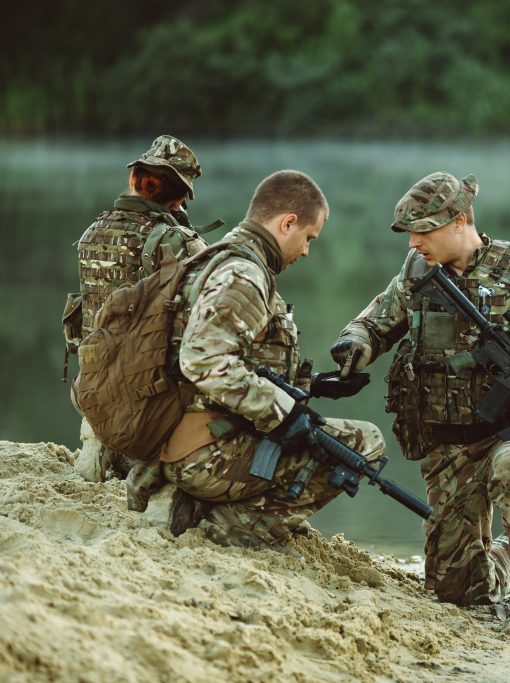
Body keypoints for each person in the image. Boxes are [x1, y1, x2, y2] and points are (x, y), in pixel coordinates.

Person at [331, 171, 510, 637]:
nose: (414, 243)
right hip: (450, 446)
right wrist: (355, 344)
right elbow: (374, 322)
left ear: (459, 221)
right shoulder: (418, 273)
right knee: (458, 590)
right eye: (410, 233)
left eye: (423, 231)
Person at [160, 170, 385, 553]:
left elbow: (242, 359)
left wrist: (313, 385)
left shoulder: (221, 258)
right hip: (202, 456)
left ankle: (210, 505)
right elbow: (203, 360)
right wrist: (283, 412)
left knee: (316, 432)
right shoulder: (244, 275)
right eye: (308, 238)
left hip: (185, 439)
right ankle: (233, 528)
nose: (307, 250)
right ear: (287, 223)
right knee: (364, 442)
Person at [69, 135, 217, 502]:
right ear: (179, 198)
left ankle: (97, 439)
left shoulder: (92, 232)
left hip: (90, 384)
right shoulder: (176, 240)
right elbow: (213, 302)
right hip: (143, 395)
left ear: (134, 180)